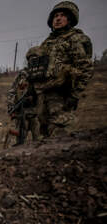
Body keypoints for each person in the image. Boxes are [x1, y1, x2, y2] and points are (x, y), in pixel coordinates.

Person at [34, 1, 93, 137]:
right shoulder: (47, 42)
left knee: (60, 131)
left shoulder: (75, 39)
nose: (58, 19)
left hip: (62, 93)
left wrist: (75, 94)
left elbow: (85, 68)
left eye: (62, 16)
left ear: (70, 19)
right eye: (56, 16)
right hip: (43, 94)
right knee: (45, 132)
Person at [6, 47, 42, 145]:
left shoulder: (43, 74)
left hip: (37, 114)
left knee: (39, 142)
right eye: (31, 59)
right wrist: (11, 106)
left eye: (36, 58)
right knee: (20, 142)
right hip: (22, 113)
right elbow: (12, 92)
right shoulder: (23, 75)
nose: (33, 61)